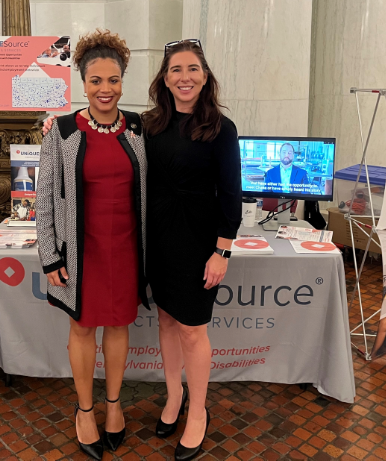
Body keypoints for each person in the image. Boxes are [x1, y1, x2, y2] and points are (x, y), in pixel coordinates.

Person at [36, 29, 149, 460]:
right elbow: (44, 198)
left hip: (125, 249)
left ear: (123, 81)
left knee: (118, 326)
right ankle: (85, 411)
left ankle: (115, 406)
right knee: (82, 327)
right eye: (96, 80)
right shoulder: (62, 130)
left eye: (114, 80)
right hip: (79, 252)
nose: (106, 89)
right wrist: (50, 256)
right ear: (82, 82)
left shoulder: (138, 127)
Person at [144, 39, 241, 460]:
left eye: (193, 69)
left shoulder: (221, 127)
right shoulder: (148, 124)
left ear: (205, 76)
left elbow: (232, 197)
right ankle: (173, 395)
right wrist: (59, 124)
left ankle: (198, 411)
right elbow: (101, 125)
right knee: (166, 319)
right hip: (157, 238)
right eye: (176, 70)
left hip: (199, 242)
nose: (184, 77)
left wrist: (222, 252)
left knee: (192, 329)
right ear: (165, 78)